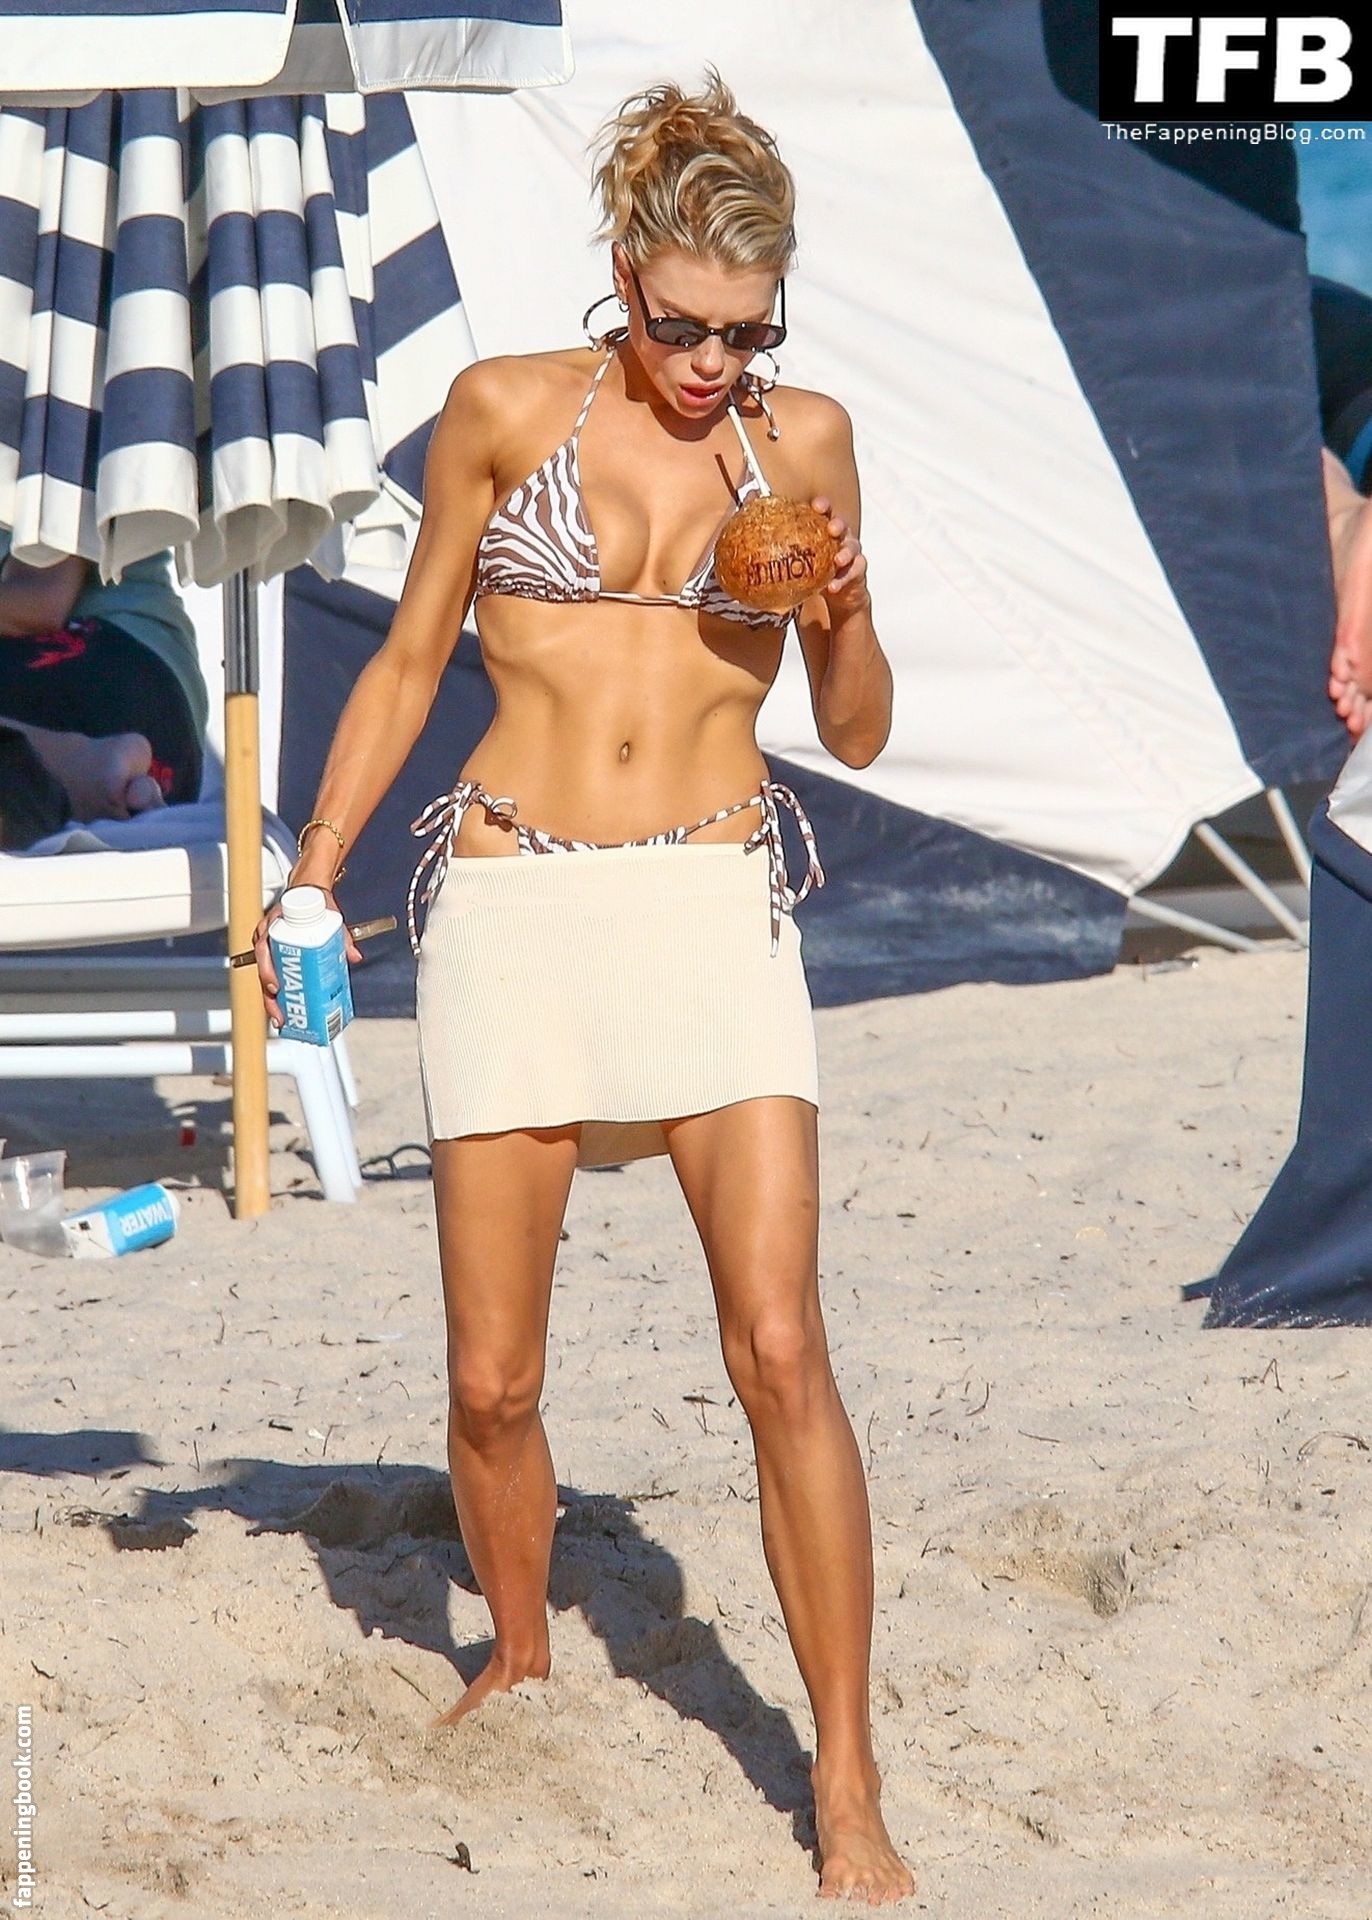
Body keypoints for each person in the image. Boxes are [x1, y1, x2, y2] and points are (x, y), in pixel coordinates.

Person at [253, 72, 912, 1904]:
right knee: (492, 1380)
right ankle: (526, 1652)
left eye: (748, 332)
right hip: (514, 893)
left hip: (712, 889)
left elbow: (858, 727)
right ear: (626, 277)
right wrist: (311, 873)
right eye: (684, 326)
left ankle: (846, 1775)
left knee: (779, 1347)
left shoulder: (803, 444)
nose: (712, 364)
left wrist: (845, 608)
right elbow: (409, 660)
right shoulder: (502, 411)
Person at [0, 534, 208, 846]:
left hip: (106, 670)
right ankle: (80, 774)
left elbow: (41, 602)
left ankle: (72, 764)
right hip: (163, 742)